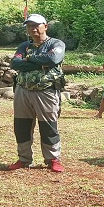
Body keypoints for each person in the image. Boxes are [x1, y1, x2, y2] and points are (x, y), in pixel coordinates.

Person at [9, 13, 66, 173]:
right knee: (21, 126)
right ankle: (24, 159)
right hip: (23, 91)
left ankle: (52, 159)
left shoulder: (56, 43)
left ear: (45, 26)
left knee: (48, 126)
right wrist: (39, 63)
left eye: (36, 25)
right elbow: (15, 63)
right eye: (29, 26)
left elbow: (53, 59)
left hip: (46, 91)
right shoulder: (24, 46)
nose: (32, 28)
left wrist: (28, 59)